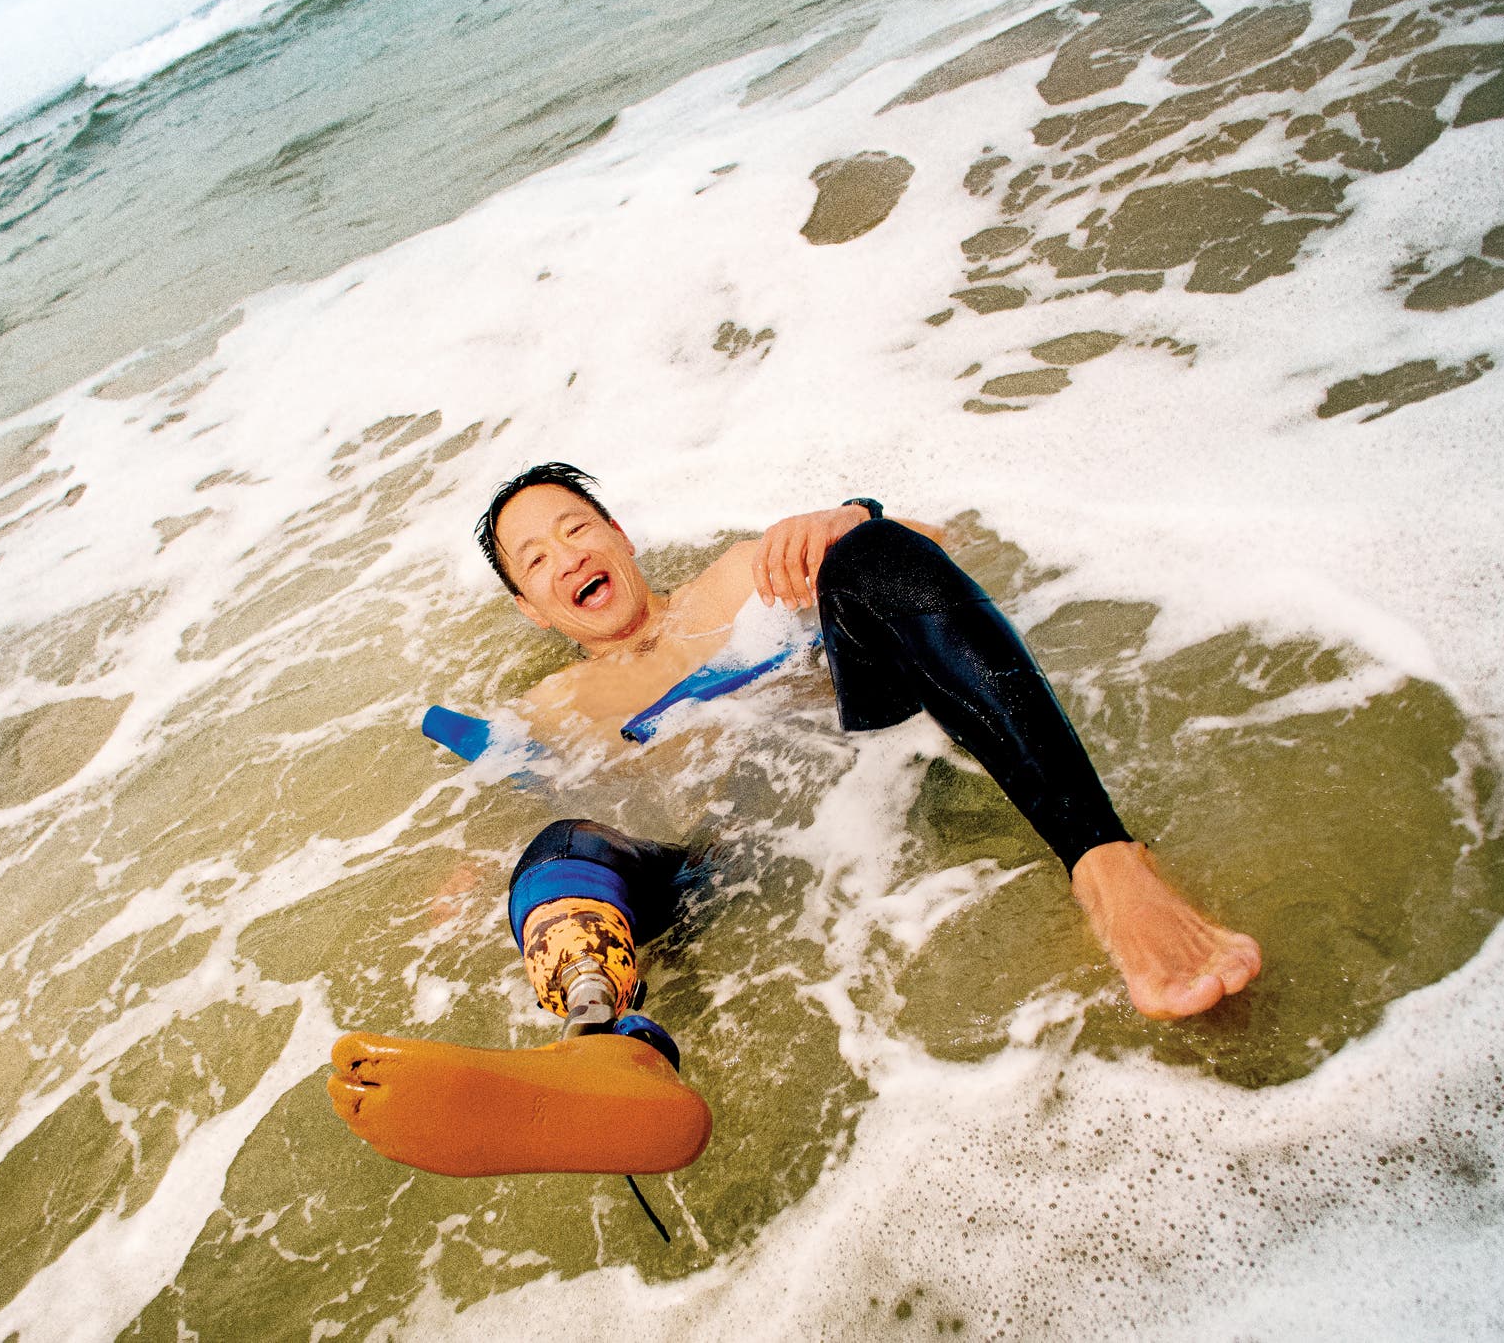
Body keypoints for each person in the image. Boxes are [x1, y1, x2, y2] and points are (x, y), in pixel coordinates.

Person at [330, 464, 1260, 1177]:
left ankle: (1107, 865)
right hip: (720, 865)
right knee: (557, 853)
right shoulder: (550, 705)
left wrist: (847, 521)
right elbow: (520, 794)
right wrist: (464, 867)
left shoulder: (741, 578)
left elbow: (933, 555)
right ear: (532, 610)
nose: (567, 554)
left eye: (576, 528)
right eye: (537, 559)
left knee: (868, 558)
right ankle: (603, 1048)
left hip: (867, 778)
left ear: (618, 534)